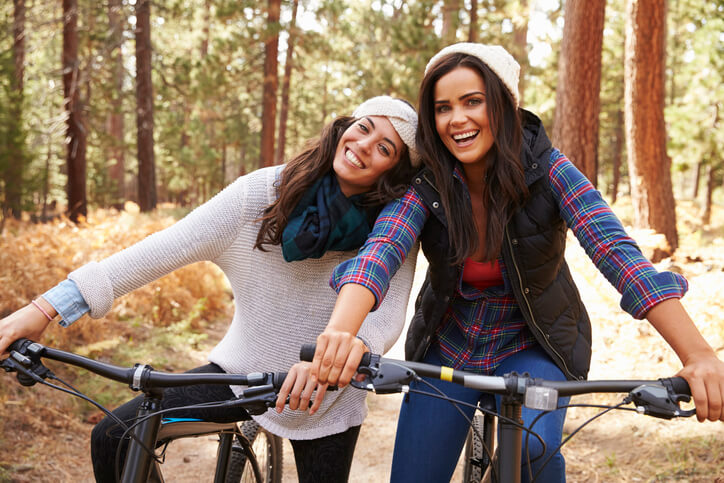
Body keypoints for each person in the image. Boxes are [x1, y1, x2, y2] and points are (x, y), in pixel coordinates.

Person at [309, 43, 724, 482]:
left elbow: (617, 253)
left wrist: (698, 355)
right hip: (449, 344)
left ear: (505, 104)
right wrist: (339, 333)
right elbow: (381, 251)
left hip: (534, 344)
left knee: (531, 449)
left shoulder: (551, 170)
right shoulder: (427, 182)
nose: (457, 119)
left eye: (473, 102)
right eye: (443, 107)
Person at [0, 96, 420, 483]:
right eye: (363, 127)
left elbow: (385, 315)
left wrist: (336, 361)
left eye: (385, 148)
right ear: (344, 127)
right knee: (114, 437)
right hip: (242, 374)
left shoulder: (393, 226)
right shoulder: (261, 193)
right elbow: (153, 253)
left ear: (395, 172)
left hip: (327, 395)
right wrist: (43, 309)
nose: (365, 145)